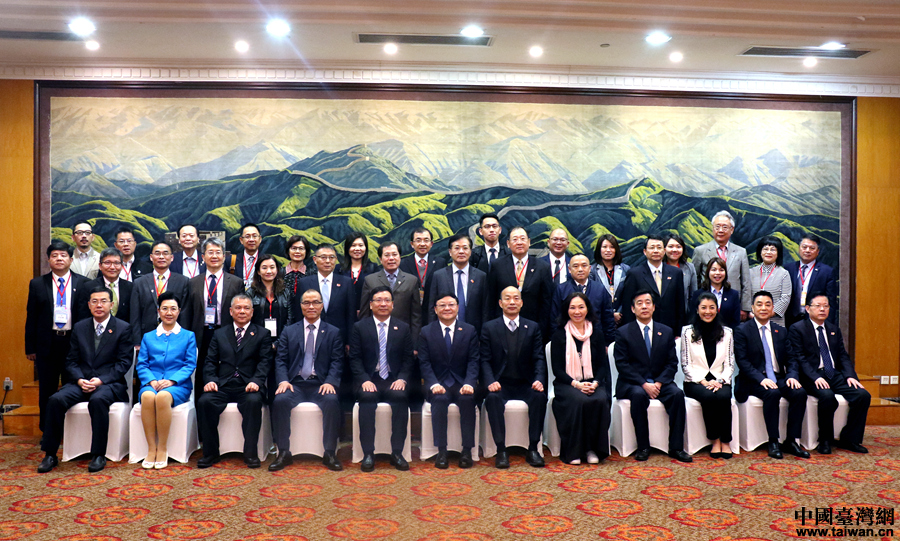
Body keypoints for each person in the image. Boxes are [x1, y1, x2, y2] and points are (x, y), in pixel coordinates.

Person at [37, 286, 133, 473]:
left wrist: (100, 380)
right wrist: (80, 379)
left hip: (108, 384)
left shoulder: (123, 328)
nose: (99, 305)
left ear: (112, 304)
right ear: (89, 305)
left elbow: (123, 363)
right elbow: (71, 361)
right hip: (81, 382)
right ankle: (50, 454)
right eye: (94, 301)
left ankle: (98, 454)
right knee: (55, 400)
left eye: (103, 301)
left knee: (98, 400)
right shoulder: (80, 327)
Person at [269, 289, 344, 472]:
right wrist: (283, 381)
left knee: (332, 401)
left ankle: (329, 452)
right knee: (280, 401)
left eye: (315, 302)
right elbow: (281, 360)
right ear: (301, 306)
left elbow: (337, 361)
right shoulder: (289, 331)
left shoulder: (333, 332)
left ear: (322, 306)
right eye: (306, 303)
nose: (311, 306)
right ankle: (283, 452)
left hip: (321, 384)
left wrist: (330, 382)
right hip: (295, 384)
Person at [197, 294, 273, 469]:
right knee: (205, 402)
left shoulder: (262, 334)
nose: (242, 311)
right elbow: (210, 361)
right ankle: (210, 453)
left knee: (253, 402)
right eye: (238, 308)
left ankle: (251, 453)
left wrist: (256, 381)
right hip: (223, 385)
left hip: (248, 385)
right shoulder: (219, 334)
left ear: (252, 312)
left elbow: (265, 362)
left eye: (246, 308)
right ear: (231, 311)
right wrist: (211, 380)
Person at [614, 291, 691, 462]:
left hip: (659, 382)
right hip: (633, 383)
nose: (644, 306)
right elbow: (622, 365)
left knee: (677, 394)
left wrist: (659, 383)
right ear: (633, 309)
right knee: (638, 395)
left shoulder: (666, 331)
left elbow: (672, 363)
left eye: (648, 303)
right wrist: (643, 384)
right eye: (639, 303)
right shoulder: (623, 332)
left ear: (654, 307)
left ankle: (676, 447)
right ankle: (643, 447)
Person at [789, 293, 870, 454]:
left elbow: (842, 356)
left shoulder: (833, 329)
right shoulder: (797, 329)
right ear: (807, 308)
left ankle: (850, 439)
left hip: (833, 374)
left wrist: (850, 376)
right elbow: (800, 358)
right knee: (827, 396)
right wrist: (815, 377)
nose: (822, 309)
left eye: (826, 306)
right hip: (811, 376)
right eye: (818, 306)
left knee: (862, 395)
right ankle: (825, 440)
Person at [734, 291, 809, 459]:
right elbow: (743, 362)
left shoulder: (780, 331)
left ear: (773, 308)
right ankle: (773, 441)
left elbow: (791, 358)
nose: (763, 308)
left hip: (778, 377)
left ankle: (791, 440)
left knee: (799, 393)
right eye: (759, 304)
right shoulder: (742, 330)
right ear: (752, 308)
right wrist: (761, 379)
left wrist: (792, 375)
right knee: (772, 393)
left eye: (768, 304)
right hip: (753, 379)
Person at [25, 241, 89, 434]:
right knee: (47, 389)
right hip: (48, 343)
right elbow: (32, 316)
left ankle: (71, 432)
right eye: (54, 255)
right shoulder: (37, 284)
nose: (59, 259)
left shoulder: (83, 283)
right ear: (48, 259)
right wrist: (30, 347)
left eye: (63, 255)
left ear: (71, 259)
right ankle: (48, 431)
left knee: (73, 388)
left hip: (73, 344)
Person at [348, 286, 414, 472]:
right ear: (371, 305)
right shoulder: (360, 327)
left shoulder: (403, 327)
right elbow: (354, 358)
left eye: (387, 300)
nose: (383, 304)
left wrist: (402, 379)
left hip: (393, 379)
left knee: (400, 398)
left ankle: (397, 453)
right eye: (378, 300)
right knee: (367, 398)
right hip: (370, 379)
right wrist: (364, 380)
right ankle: (368, 453)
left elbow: (408, 359)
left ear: (393, 305)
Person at [481, 286, 547, 468]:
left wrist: (538, 380)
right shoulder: (489, 327)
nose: (512, 302)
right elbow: (484, 360)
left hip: (526, 383)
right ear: (500, 303)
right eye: (507, 298)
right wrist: (490, 381)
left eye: (516, 298)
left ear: (522, 303)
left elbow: (539, 358)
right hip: (500, 383)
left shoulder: (532, 327)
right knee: (492, 399)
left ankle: (533, 448)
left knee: (539, 397)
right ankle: (501, 450)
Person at [135, 292, 197, 469]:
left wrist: (172, 380)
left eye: (173, 309)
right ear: (158, 311)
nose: (169, 313)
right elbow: (142, 364)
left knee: (162, 397)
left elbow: (189, 364)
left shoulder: (188, 336)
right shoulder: (148, 337)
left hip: (178, 385)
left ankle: (162, 448)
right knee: (147, 396)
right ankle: (151, 449)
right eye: (165, 309)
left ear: (179, 311)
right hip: (151, 383)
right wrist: (151, 381)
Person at [418, 294, 480, 469]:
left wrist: (469, 383)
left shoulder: (469, 330)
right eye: (442, 305)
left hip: (462, 383)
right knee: (439, 400)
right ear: (435, 309)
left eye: (451, 304)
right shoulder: (426, 332)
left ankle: (466, 450)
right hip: (438, 383)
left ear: (458, 308)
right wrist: (433, 384)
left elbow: (474, 360)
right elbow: (424, 362)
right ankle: (442, 451)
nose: (447, 308)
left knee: (467, 400)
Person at [551, 292, 611, 465]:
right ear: (566, 310)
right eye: (572, 308)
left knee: (600, 399)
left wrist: (595, 383)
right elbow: (557, 370)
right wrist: (577, 384)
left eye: (581, 307)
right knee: (579, 400)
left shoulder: (596, 333)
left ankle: (592, 449)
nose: (577, 311)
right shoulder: (559, 334)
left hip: (593, 382)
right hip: (567, 383)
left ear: (587, 309)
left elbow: (602, 366)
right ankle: (574, 451)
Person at [189, 237, 245, 405]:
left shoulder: (236, 282)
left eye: (218, 252)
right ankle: (201, 410)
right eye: (210, 252)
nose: (214, 256)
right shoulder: (193, 282)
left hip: (226, 332)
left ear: (224, 256)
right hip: (201, 334)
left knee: (225, 369)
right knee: (201, 372)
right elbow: (188, 312)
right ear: (203, 257)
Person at [680, 292, 735, 459]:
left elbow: (730, 364)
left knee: (724, 396)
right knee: (709, 397)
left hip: (720, 379)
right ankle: (715, 440)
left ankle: (726, 441)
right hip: (695, 381)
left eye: (712, 307)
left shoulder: (727, 332)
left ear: (717, 310)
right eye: (703, 308)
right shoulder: (687, 332)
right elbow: (686, 364)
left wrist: (720, 381)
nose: (708, 311)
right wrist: (703, 381)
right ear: (697, 310)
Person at [488, 226, 554, 342]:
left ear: (529, 242)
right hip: (502, 329)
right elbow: (491, 300)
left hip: (533, 329)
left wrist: (542, 331)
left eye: (523, 239)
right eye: (515, 239)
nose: (519, 242)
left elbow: (546, 302)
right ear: (508, 244)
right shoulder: (497, 265)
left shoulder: (542, 267)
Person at [616, 235, 685, 333]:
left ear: (664, 251)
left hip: (670, 330)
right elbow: (628, 306)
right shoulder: (635, 274)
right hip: (642, 330)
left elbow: (680, 305)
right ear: (645, 251)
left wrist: (678, 332)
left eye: (659, 247)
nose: (656, 251)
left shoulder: (676, 273)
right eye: (652, 248)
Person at [131, 240, 192, 348]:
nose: (161, 257)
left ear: (172, 257)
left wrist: (183, 340)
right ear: (151, 257)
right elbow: (135, 315)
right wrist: (137, 342)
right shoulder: (139, 283)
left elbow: (185, 314)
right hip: (147, 337)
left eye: (165, 253)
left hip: (175, 337)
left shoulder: (183, 281)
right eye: (157, 253)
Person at [692, 210, 752, 319]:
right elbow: (695, 279)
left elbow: (746, 281)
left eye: (725, 227)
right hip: (706, 306)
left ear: (732, 229)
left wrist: (745, 308)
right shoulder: (700, 251)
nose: (720, 230)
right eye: (717, 226)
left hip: (733, 306)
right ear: (712, 228)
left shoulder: (741, 252)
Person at [359, 241, 422, 343]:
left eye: (394, 254)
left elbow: (416, 316)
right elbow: (364, 313)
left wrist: (415, 343)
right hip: (375, 335)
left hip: (403, 335)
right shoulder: (370, 280)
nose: (391, 258)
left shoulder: (411, 280)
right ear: (380, 259)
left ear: (400, 257)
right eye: (387, 255)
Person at [428, 232, 489, 334]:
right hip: (444, 332)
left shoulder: (480, 276)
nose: (461, 251)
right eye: (457, 248)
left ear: (470, 251)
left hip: (474, 333)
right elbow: (431, 308)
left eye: (465, 248)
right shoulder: (439, 276)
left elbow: (485, 310)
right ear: (450, 252)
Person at [550, 254, 617, 343]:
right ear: (569, 269)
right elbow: (555, 318)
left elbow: (608, 318)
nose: (580, 269)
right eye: (576, 266)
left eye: (584, 266)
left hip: (595, 339)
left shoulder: (600, 289)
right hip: (567, 340)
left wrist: (608, 342)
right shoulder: (561, 289)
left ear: (589, 268)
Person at [297, 244, 354, 344]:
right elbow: (298, 313)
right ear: (315, 259)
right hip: (311, 336)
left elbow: (350, 315)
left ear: (336, 259)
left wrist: (350, 342)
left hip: (339, 338)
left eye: (331, 257)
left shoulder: (346, 283)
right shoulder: (304, 283)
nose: (328, 261)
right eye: (323, 257)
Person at [784, 233, 838, 328]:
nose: (807, 250)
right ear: (799, 248)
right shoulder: (788, 269)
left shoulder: (826, 272)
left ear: (818, 251)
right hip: (790, 321)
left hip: (815, 321)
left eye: (812, 248)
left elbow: (831, 302)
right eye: (804, 247)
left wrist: (827, 325)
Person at [400, 227, 447, 323]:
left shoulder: (440, 263)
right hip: (409, 314)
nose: (422, 244)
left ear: (431, 244)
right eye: (418, 240)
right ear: (412, 244)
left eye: (426, 240)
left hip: (433, 313)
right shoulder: (403, 264)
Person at [79, 247, 132, 323]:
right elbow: (83, 315)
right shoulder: (88, 287)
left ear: (121, 266)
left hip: (123, 329)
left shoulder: (130, 287)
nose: (112, 267)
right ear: (100, 266)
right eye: (107, 263)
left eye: (116, 263)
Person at [749, 236, 792, 328]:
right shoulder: (751, 272)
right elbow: (746, 295)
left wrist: (767, 314)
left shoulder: (784, 274)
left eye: (773, 249)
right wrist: (752, 313)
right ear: (760, 252)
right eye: (765, 249)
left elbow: (785, 297)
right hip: (753, 320)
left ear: (778, 253)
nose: (768, 252)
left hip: (775, 322)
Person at [248, 255, 292, 338]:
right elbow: (247, 320)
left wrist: (280, 341)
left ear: (277, 270)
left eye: (272, 267)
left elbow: (290, 319)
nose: (269, 271)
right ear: (258, 271)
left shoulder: (285, 291)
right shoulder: (251, 293)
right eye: (264, 268)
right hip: (256, 339)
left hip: (282, 339)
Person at [691, 257, 741, 329]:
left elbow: (735, 321)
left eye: (721, 270)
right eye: (714, 270)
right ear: (708, 272)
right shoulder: (698, 294)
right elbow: (693, 318)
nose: (717, 273)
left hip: (727, 333)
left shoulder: (733, 294)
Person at [336, 232, 378, 314]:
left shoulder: (373, 268)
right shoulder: (338, 269)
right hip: (343, 313)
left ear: (365, 248)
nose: (357, 249)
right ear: (347, 248)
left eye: (361, 245)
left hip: (367, 313)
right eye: (353, 245)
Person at [592, 234, 630, 324]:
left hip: (622, 319)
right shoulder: (592, 271)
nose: (608, 250)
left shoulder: (626, 269)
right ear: (599, 249)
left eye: (612, 247)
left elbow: (629, 295)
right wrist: (610, 314)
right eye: (604, 247)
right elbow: (592, 297)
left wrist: (619, 313)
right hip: (600, 320)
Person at [664, 233, 697, 313]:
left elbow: (693, 295)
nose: (675, 250)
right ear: (664, 249)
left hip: (684, 313)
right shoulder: (659, 267)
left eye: (678, 247)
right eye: (671, 246)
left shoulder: (689, 268)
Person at [228, 223, 263, 289]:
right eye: (247, 236)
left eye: (254, 236)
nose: (251, 240)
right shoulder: (230, 261)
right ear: (241, 240)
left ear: (260, 239)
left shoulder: (266, 261)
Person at [282, 235, 317, 299]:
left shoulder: (313, 274)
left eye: (301, 248)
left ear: (306, 251)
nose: (297, 251)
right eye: (294, 248)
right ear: (288, 251)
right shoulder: (279, 273)